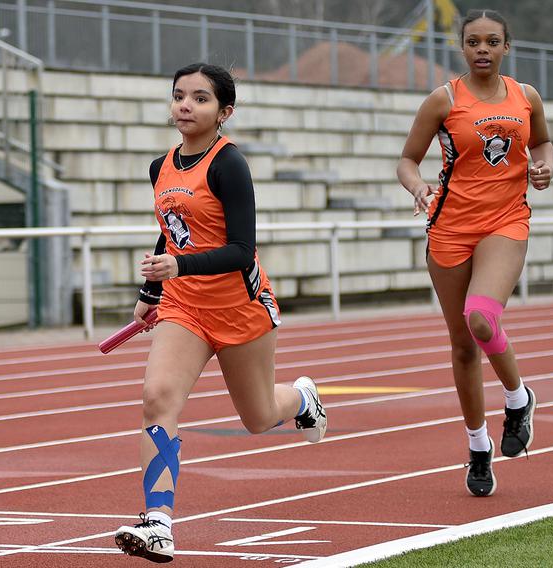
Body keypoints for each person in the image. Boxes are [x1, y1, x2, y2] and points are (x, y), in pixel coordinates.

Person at [113, 62, 327, 563]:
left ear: (223, 111)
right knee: (157, 399)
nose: (185, 105)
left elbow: (241, 250)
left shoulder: (229, 164)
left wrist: (176, 265)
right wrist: (150, 293)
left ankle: (300, 398)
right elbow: (171, 230)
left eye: (200, 98)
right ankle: (159, 523)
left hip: (240, 308)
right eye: (179, 95)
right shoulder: (159, 165)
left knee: (257, 418)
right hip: (184, 306)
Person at [396, 9, 553, 497]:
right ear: (461, 48)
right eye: (473, 42)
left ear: (507, 46)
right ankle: (479, 448)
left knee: (481, 319)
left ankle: (517, 397)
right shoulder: (442, 100)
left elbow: (545, 145)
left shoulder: (526, 97)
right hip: (448, 229)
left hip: (506, 223)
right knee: (463, 345)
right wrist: (417, 185)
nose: (482, 49)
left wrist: (545, 168)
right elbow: (406, 160)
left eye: (492, 41)